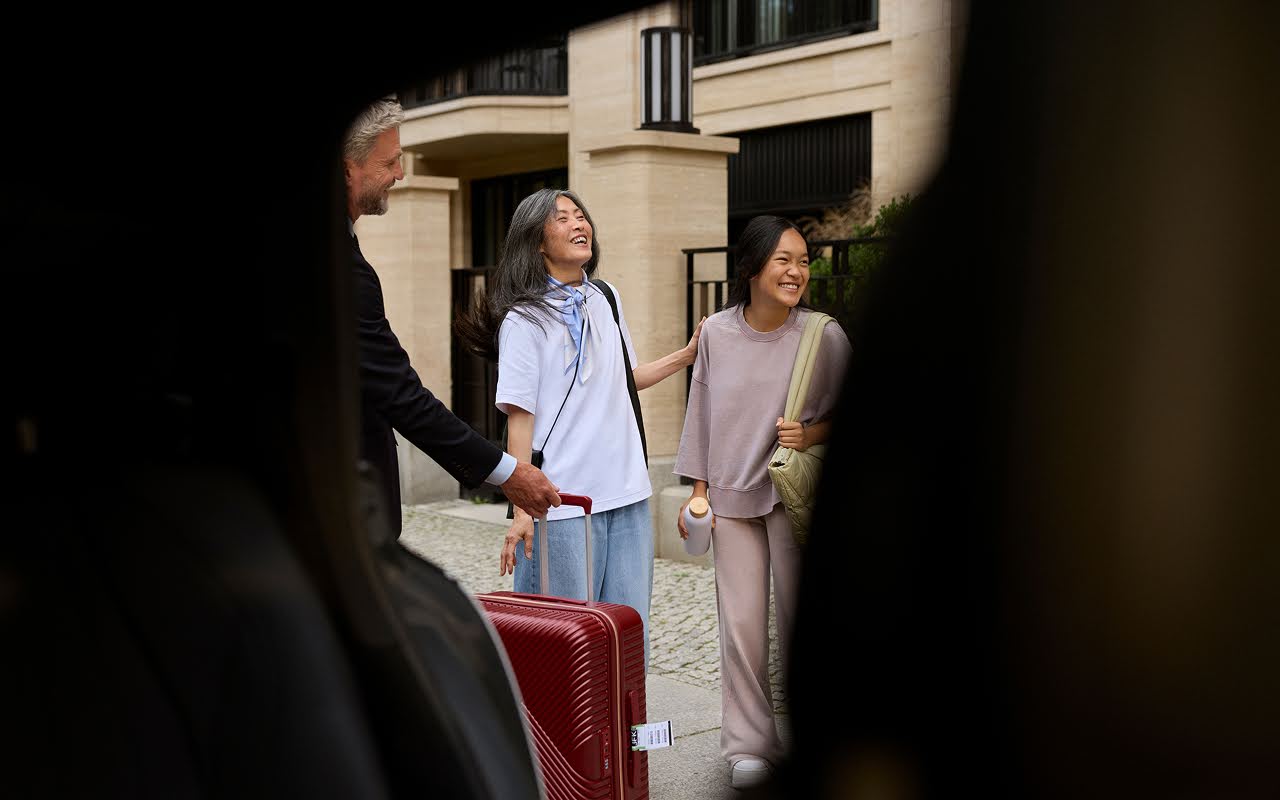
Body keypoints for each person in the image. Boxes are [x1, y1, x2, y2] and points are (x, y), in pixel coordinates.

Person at [456, 187, 703, 667]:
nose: (578, 223)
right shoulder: (524, 320)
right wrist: (523, 508)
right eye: (561, 218)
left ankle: (623, 742)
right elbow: (519, 417)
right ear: (537, 241)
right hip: (562, 505)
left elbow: (624, 379)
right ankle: (559, 746)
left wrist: (686, 355)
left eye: (580, 214)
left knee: (628, 642)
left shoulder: (605, 297)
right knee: (565, 649)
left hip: (627, 494)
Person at [673, 215, 851, 790]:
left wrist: (812, 435)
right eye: (784, 261)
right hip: (730, 501)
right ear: (751, 268)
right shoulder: (717, 335)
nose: (797, 271)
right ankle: (750, 746)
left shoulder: (823, 335)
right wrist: (698, 494)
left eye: (802, 261)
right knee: (741, 627)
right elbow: (699, 413)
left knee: (808, 622)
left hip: (796, 499)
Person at [343, 98, 561, 537]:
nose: (401, 174)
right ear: (348, 169)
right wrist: (507, 472)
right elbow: (400, 395)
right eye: (391, 162)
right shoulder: (342, 270)